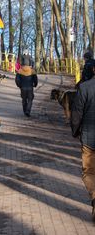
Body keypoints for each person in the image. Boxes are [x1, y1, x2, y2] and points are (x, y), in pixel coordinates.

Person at [71, 62, 95, 220]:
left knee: (88, 171)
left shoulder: (85, 87)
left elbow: (77, 112)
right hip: (88, 135)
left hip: (88, 138)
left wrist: (75, 130)